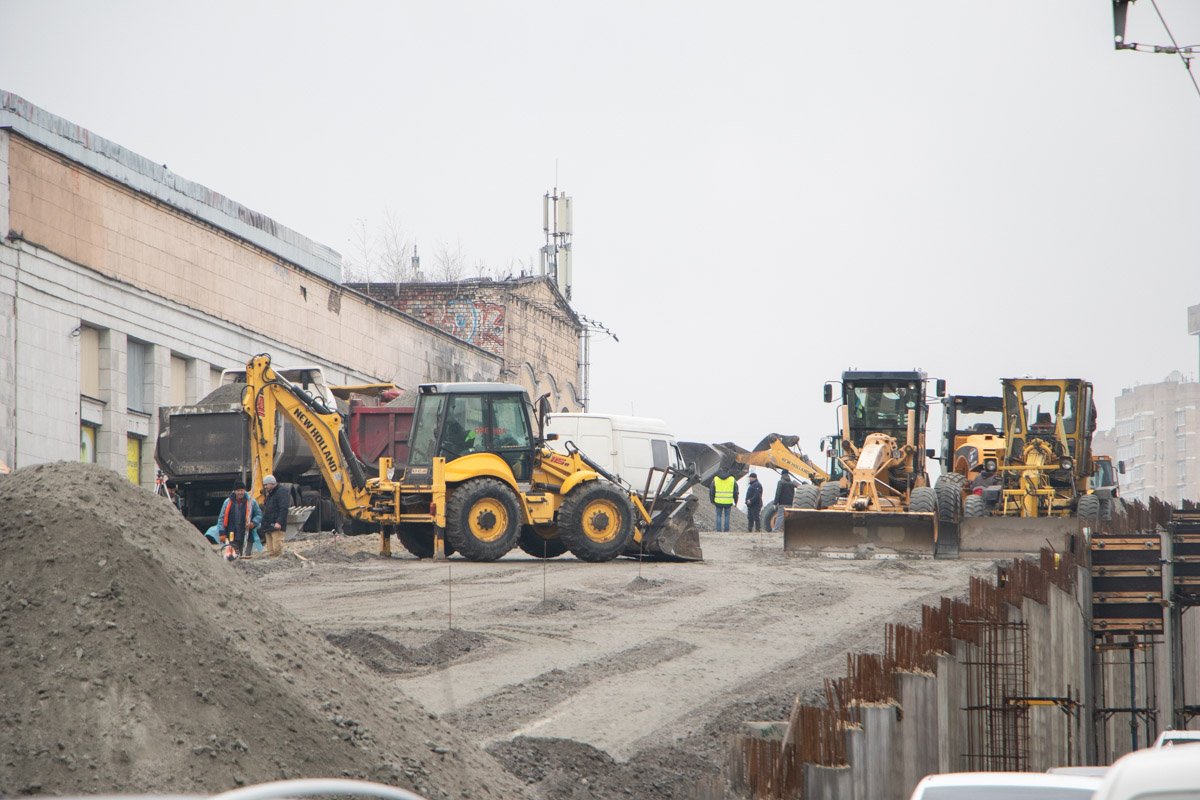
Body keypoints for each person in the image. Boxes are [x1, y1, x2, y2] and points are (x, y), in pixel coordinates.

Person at [216, 479, 262, 558]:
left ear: (244, 490)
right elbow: (221, 518)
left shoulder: (252, 502)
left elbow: (259, 514)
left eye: (242, 490)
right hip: (232, 535)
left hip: (247, 535)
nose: (240, 492)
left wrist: (253, 523)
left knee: (246, 557)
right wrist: (222, 533)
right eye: (238, 490)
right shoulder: (227, 502)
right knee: (233, 558)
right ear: (234, 491)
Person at [259, 474, 290, 558]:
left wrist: (279, 522)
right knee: (270, 552)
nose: (265, 487)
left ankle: (280, 564)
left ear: (272, 483)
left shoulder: (281, 492)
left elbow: (284, 508)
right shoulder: (270, 494)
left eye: (266, 484)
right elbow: (267, 510)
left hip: (277, 527)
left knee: (277, 550)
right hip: (269, 527)